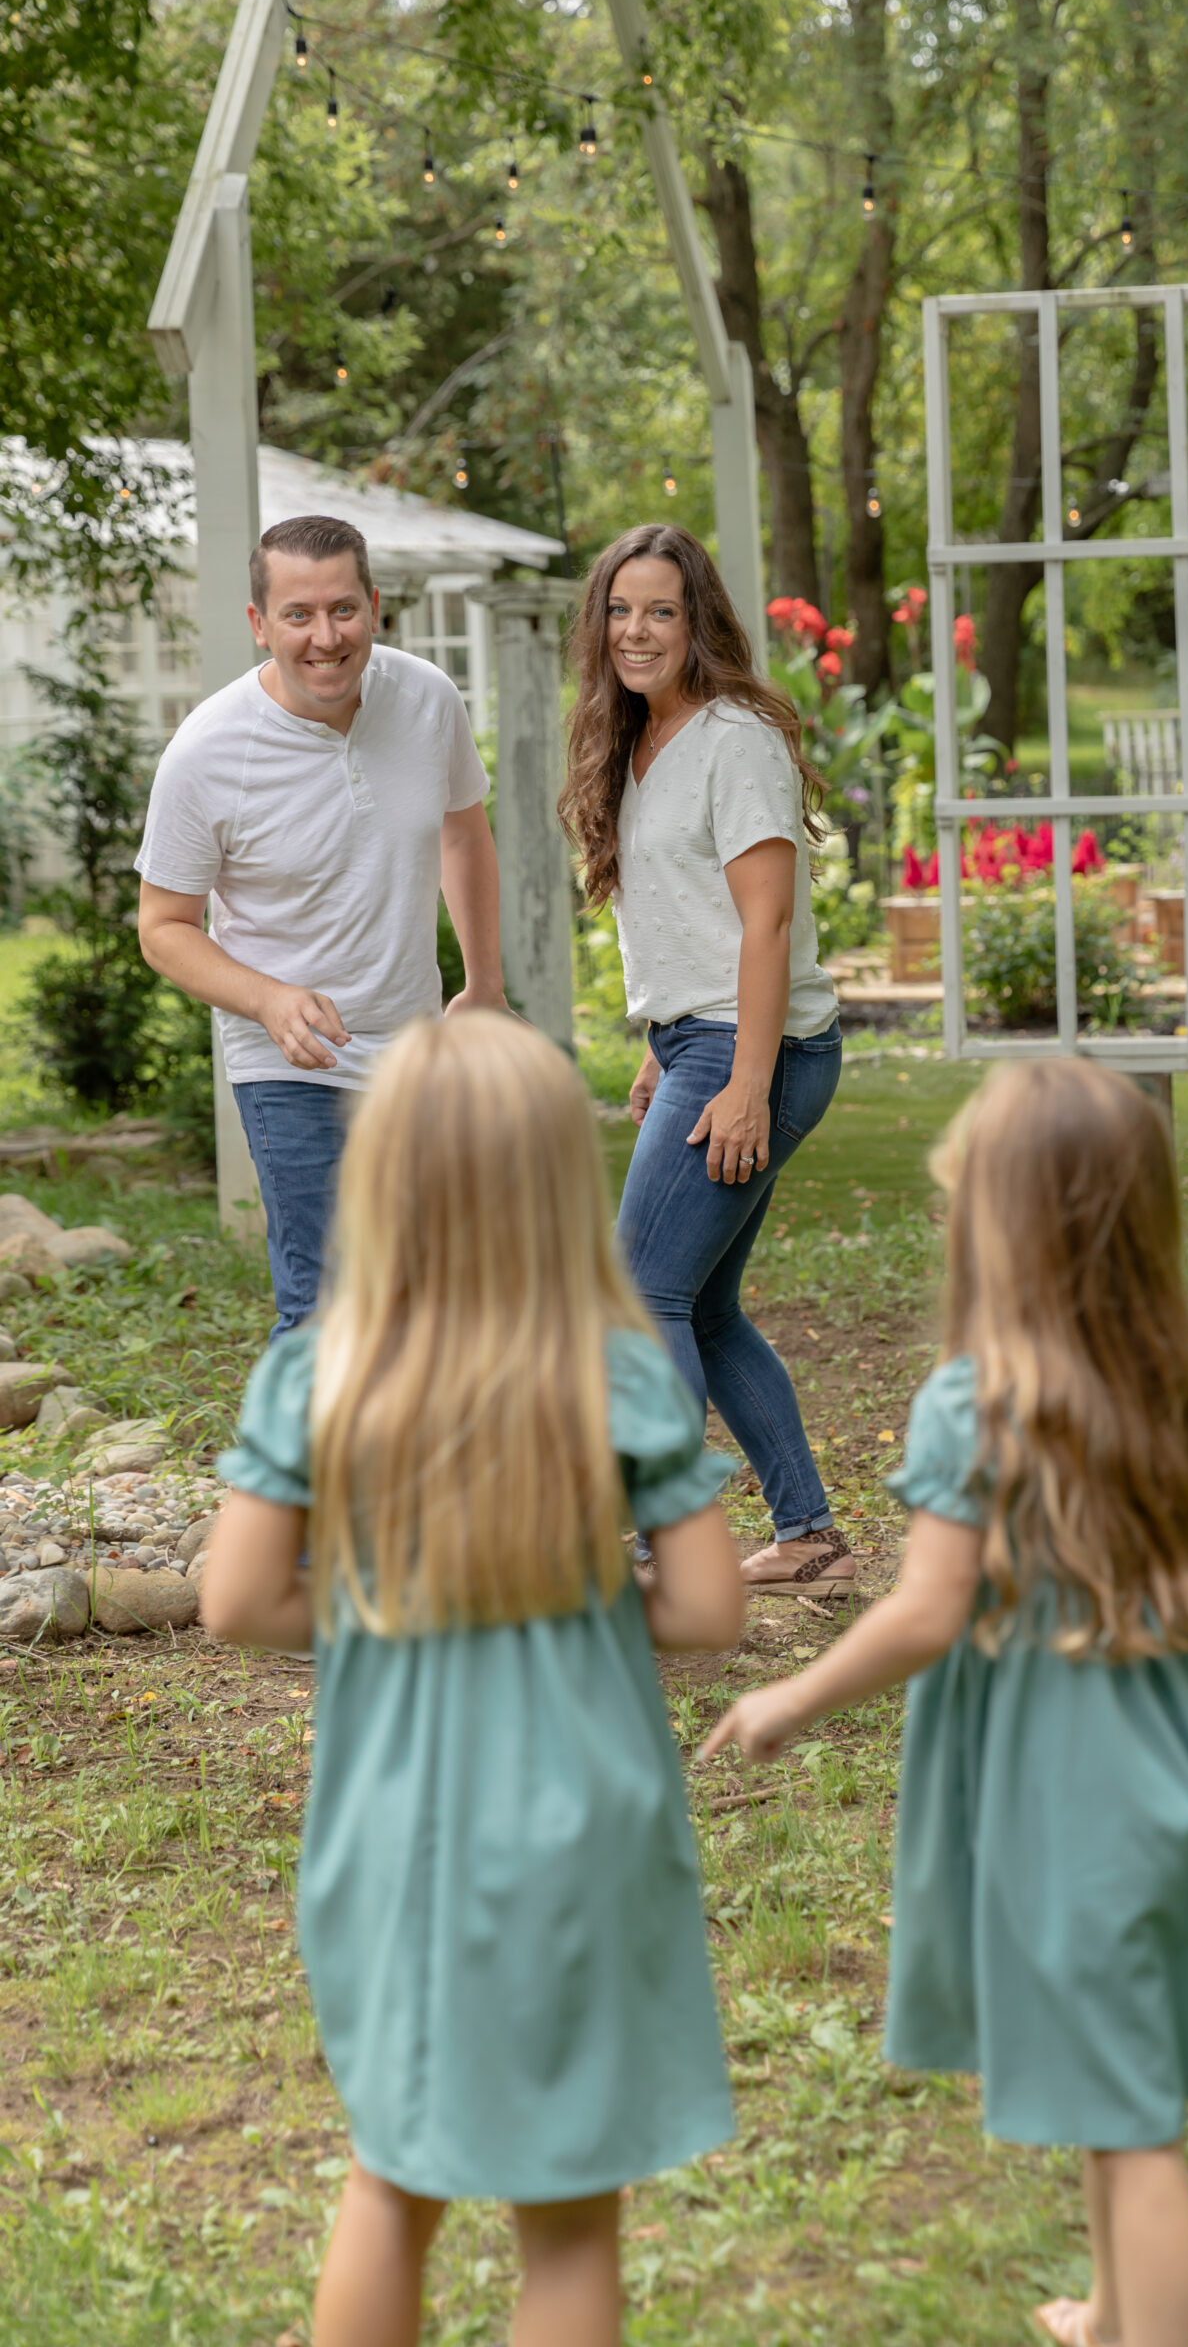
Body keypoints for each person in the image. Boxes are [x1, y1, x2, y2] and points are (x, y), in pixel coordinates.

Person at [703, 1059, 1188, 2347]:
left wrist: (790, 1698)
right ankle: (1114, 2309)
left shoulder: (975, 1404)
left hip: (1063, 1789)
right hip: (1169, 1767)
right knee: (1117, 2089)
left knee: (1133, 2132)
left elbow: (926, 1609)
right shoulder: (1153, 1382)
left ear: (998, 1232)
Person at [199, 1012, 745, 2347]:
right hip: (586, 1829)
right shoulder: (614, 1374)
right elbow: (714, 1610)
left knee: (393, 2175)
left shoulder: (315, 1376)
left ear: (379, 1181)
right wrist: (573, 1590)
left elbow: (236, 1602)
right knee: (567, 2219)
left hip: (399, 1835)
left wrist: (393, 1593)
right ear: (557, 1186)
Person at [559, 523, 853, 1597]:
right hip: (704, 1039)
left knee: (642, 1297)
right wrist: (661, 1046)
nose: (636, 631)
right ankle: (809, 1536)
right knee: (699, 1304)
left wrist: (741, 1083)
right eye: (620, 610)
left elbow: (766, 927)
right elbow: (693, 921)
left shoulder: (734, 737)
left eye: (661, 611)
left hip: (754, 1046)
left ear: (699, 623)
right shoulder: (636, 738)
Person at [136, 513, 504, 1337]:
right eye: (298, 615)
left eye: (342, 610)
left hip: (412, 1051)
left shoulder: (427, 699)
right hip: (289, 1062)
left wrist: (484, 986)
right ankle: (307, 1467)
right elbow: (163, 926)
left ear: (374, 605)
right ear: (260, 625)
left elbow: (463, 831)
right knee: (325, 1311)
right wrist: (266, 999)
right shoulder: (206, 753)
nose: (324, 637)